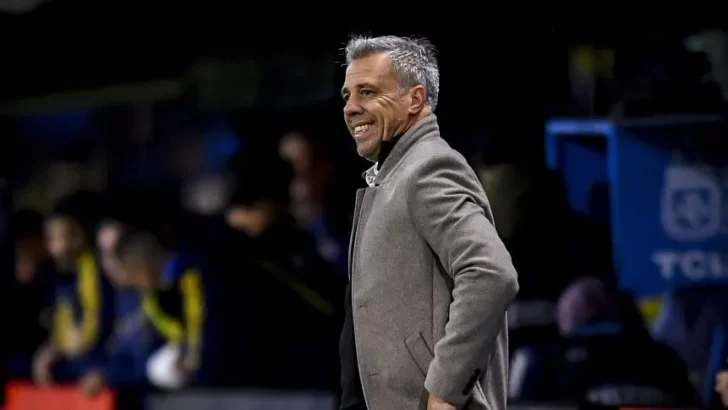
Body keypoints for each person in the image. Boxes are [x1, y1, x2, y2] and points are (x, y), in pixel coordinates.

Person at [339, 35, 519, 410]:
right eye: (347, 95)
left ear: (415, 100)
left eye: (368, 92)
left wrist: (446, 388)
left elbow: (491, 274)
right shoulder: (394, 175)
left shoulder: (428, 168)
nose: (351, 108)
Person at [114, 230, 206, 390]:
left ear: (144, 265)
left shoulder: (189, 275)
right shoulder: (152, 295)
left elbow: (198, 321)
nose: (129, 280)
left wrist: (191, 358)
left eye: (131, 272)